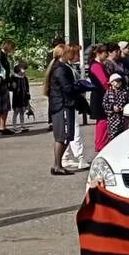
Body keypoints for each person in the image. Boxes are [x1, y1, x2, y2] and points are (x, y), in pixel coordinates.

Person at [45, 44, 79, 175]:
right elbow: (67, 87)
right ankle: (57, 165)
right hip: (62, 105)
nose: (70, 55)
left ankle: (57, 165)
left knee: (65, 136)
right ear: (62, 54)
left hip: (62, 104)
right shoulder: (60, 69)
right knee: (63, 136)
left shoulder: (61, 67)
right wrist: (80, 87)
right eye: (67, 52)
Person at [87, 45, 111, 151]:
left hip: (100, 95)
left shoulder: (100, 64)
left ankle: (101, 142)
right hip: (99, 96)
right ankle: (100, 143)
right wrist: (111, 90)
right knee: (102, 120)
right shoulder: (96, 66)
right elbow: (104, 81)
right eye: (104, 52)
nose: (106, 54)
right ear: (98, 53)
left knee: (103, 121)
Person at [0, 39, 14, 135]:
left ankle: (3, 126)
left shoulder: (4, 56)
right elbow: (1, 70)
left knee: (4, 107)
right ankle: (0, 127)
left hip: (4, 83)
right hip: (0, 84)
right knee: (1, 107)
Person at [103, 73, 129, 142]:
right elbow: (104, 104)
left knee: (122, 133)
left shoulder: (124, 92)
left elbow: (127, 101)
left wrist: (124, 107)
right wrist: (112, 107)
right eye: (116, 81)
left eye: (119, 81)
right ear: (111, 82)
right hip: (112, 117)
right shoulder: (108, 92)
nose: (118, 83)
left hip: (122, 117)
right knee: (112, 134)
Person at [10, 61, 31, 132]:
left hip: (23, 97)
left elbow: (27, 88)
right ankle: (14, 126)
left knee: (22, 111)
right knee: (16, 111)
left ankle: (22, 125)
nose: (25, 70)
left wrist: (28, 97)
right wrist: (12, 85)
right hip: (17, 97)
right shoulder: (14, 78)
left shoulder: (25, 78)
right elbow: (11, 88)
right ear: (19, 69)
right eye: (23, 69)